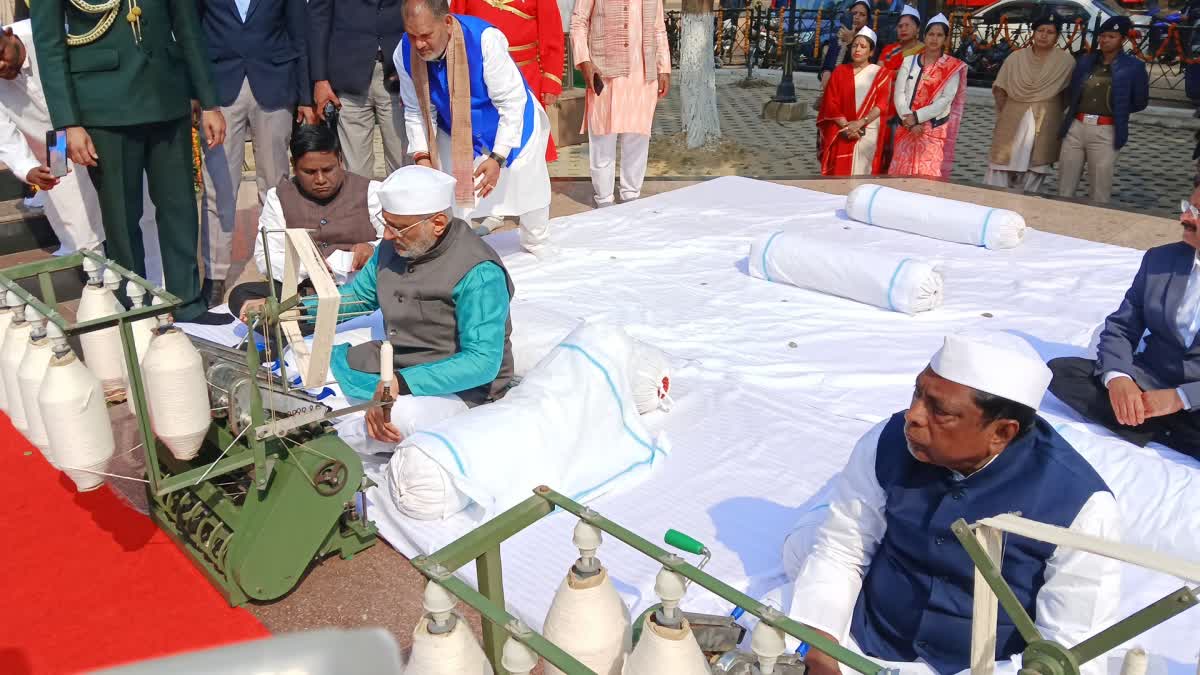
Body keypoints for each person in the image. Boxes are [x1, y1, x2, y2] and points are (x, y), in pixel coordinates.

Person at [784, 332, 1119, 675]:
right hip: (864, 639)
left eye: (939, 411)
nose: (913, 415)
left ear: (1001, 433)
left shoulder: (1080, 505)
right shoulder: (886, 442)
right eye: (918, 393)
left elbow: (1072, 645)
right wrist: (820, 648)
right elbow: (842, 549)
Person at [31, 0, 231, 324]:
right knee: (121, 218)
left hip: (166, 95)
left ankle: (188, 303)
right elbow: (50, 46)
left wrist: (208, 101)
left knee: (180, 208)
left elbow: (187, 27)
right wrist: (68, 124)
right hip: (103, 106)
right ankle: (133, 309)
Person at [340, 166, 512, 442]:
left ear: (438, 224)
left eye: (397, 227)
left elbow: (482, 362)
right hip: (398, 363)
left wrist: (400, 382)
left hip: (459, 389)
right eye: (385, 223)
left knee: (394, 417)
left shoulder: (478, 272)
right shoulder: (391, 247)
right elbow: (357, 299)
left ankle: (328, 446)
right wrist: (292, 310)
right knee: (297, 367)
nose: (386, 236)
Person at [0, 21, 161, 281]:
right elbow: (3, 134)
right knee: (77, 222)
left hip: (101, 125)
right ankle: (102, 290)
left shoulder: (48, 33)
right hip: (55, 144)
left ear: (9, 34)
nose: (1, 66)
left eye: (1, 54)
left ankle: (156, 284)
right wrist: (27, 168)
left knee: (138, 207)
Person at [394, 0, 554, 257]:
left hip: (511, 122)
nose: (419, 44)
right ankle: (460, 253)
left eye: (426, 35)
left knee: (527, 187)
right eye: (412, 35)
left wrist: (498, 156)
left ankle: (538, 245)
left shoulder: (484, 40)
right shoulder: (404, 53)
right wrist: (422, 156)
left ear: (447, 23)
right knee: (453, 195)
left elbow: (511, 102)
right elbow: (415, 110)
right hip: (455, 130)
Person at [1048, 189, 1200, 458]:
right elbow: (1122, 327)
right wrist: (1119, 379)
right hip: (1149, 379)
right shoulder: (1160, 259)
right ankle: (1160, 425)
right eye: (1188, 205)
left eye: (1197, 212)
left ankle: (1151, 425)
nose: (1184, 216)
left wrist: (1180, 398)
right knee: (1062, 371)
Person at [197, 0, 315, 308]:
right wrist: (197, 93)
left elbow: (299, 34)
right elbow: (192, 31)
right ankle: (215, 274)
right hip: (219, 88)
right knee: (218, 186)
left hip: (274, 83)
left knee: (276, 186)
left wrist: (304, 96)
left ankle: (278, 270)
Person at [229, 124, 384, 330]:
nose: (320, 179)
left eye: (328, 170)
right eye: (310, 172)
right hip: (304, 291)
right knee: (242, 296)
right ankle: (301, 323)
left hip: (357, 292)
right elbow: (265, 258)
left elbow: (397, 241)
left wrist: (372, 248)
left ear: (340, 160)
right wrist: (311, 268)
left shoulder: (371, 191)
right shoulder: (279, 198)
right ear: (294, 165)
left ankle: (295, 327)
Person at [571, 0, 670, 209]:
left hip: (643, 73)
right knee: (603, 136)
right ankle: (604, 198)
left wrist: (664, 68)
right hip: (605, 72)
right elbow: (579, 22)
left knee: (637, 137)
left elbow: (658, 27)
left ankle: (631, 195)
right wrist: (584, 61)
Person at [449, 0, 564, 169]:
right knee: (482, 143)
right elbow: (455, 26)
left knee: (527, 143)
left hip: (526, 78)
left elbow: (552, 33)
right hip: (479, 79)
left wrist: (551, 80)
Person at [309, 0, 408, 178]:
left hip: (399, 72)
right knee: (355, 171)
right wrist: (320, 79)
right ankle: (359, 206)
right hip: (347, 73)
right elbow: (318, 19)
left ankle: (400, 206)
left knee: (403, 165)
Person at [1057, 16, 1148, 205]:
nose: (1105, 40)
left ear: (1122, 39)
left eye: (1111, 36)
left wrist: (1119, 107)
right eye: (1103, 36)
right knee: (1065, 185)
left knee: (1100, 186)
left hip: (1106, 130)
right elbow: (1073, 90)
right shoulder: (1086, 61)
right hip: (1076, 126)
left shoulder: (1133, 66)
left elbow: (1140, 101)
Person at [984, 14, 1074, 193]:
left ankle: (1025, 211)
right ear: (1033, 33)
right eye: (1040, 30)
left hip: (1045, 121)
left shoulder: (1066, 62)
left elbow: (1068, 96)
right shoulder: (1015, 58)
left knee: (1035, 169)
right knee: (1001, 166)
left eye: (1050, 32)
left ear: (1057, 36)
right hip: (1012, 119)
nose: (1044, 35)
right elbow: (1000, 90)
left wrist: (1049, 108)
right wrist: (1008, 112)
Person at [888, 14, 967, 179]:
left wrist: (917, 117)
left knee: (927, 179)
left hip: (932, 129)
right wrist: (908, 120)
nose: (934, 39)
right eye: (931, 34)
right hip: (906, 125)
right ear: (924, 36)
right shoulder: (909, 61)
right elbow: (899, 93)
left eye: (939, 35)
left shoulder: (952, 67)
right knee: (900, 177)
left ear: (945, 39)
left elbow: (946, 100)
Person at [817, 27, 892, 176]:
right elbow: (830, 103)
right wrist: (847, 126)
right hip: (843, 131)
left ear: (871, 52)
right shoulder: (839, 72)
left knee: (863, 176)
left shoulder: (881, 74)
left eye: (863, 46)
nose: (857, 49)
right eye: (855, 45)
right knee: (840, 176)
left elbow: (881, 105)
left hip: (867, 132)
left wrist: (860, 123)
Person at [819, 0, 872, 93]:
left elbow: (863, 67)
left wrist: (851, 42)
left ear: (867, 20)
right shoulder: (839, 37)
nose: (857, 17)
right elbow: (827, 64)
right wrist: (826, 71)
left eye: (862, 14)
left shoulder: (871, 41)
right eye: (854, 13)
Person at [878, 4, 923, 72]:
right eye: (900, 26)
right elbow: (879, 72)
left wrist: (889, 73)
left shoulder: (924, 52)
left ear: (918, 29)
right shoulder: (888, 50)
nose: (903, 29)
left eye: (907, 25)